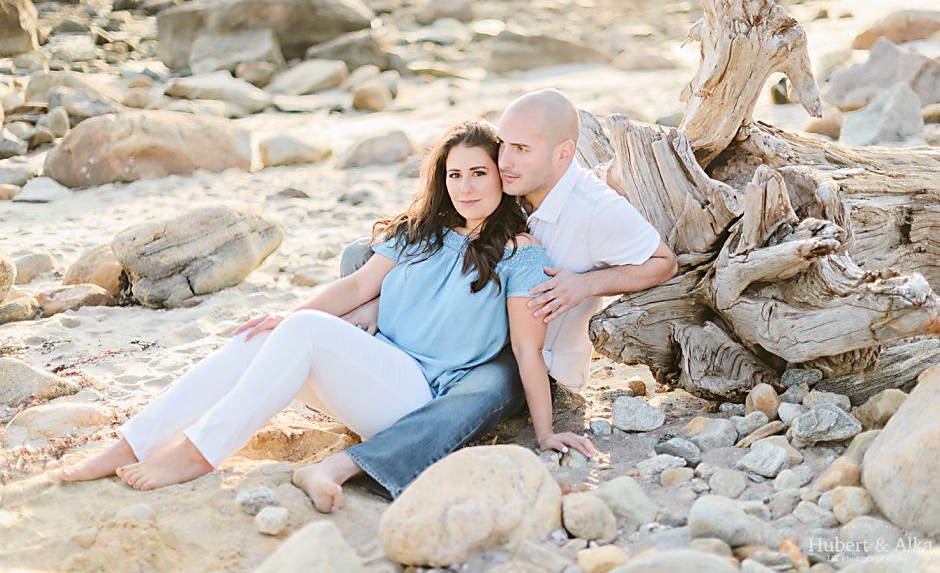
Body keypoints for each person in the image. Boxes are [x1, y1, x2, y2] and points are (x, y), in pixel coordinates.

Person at [57, 120, 595, 510]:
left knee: (304, 328)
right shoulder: (419, 234)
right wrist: (284, 317)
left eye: (479, 173)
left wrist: (545, 433)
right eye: (455, 175)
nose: (466, 187)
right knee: (258, 335)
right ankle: (133, 443)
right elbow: (358, 283)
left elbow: (527, 349)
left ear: (502, 177)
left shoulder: (522, 254)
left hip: (416, 396)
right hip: (368, 372)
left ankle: (198, 453)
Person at [291, 89, 678, 509]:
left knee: (489, 385)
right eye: (504, 145)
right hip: (468, 319)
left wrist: (584, 284)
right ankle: (380, 370)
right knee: (358, 256)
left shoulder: (596, 210)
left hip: (525, 352)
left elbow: (664, 263)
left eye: (520, 149)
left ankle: (359, 464)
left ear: (564, 154)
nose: (505, 160)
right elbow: (449, 252)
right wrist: (378, 303)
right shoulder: (514, 179)